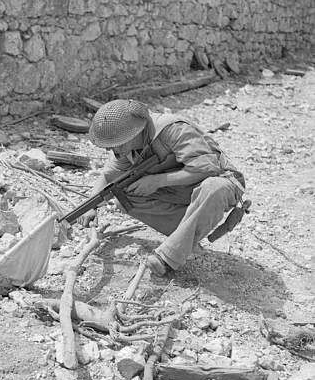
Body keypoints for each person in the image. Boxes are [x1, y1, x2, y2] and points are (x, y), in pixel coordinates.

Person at [79, 99, 246, 276]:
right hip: (185, 189)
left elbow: (206, 167)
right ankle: (185, 239)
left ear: (135, 132)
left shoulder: (173, 129)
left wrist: (157, 181)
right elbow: (108, 175)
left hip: (221, 183)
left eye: (117, 143)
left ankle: (167, 258)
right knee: (124, 193)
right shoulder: (126, 146)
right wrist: (90, 206)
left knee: (214, 187)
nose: (112, 149)